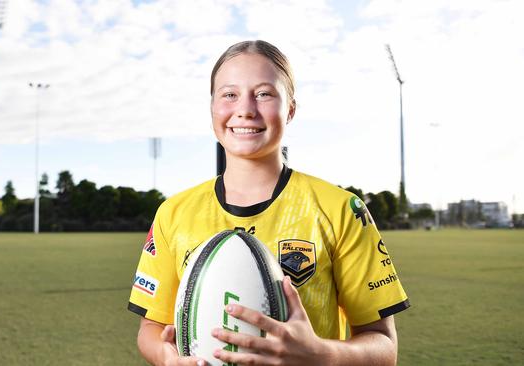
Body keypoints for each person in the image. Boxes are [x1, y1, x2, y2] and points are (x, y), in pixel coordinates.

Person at [127, 40, 409, 366]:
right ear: (213, 108)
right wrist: (166, 357)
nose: (245, 108)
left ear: (290, 108)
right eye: (229, 94)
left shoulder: (340, 209)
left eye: (264, 93)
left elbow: (384, 345)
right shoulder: (173, 213)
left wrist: (322, 355)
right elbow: (150, 327)